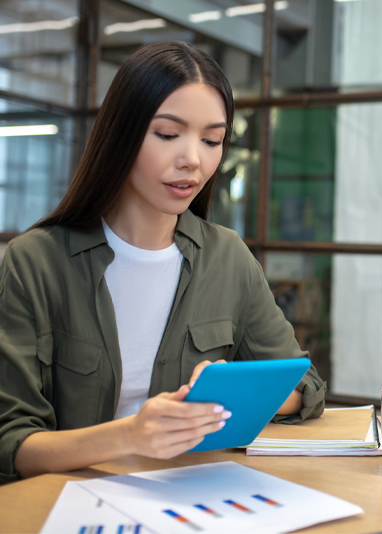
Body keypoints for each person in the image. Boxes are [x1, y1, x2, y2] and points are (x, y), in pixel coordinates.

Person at [0, 42, 325, 484]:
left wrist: (233, 387)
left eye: (212, 140)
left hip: (189, 499)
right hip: (71, 506)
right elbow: (13, 443)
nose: (193, 159)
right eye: (168, 134)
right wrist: (131, 436)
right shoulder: (35, 262)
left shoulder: (228, 257)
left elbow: (304, 388)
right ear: (122, 134)